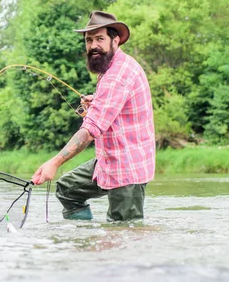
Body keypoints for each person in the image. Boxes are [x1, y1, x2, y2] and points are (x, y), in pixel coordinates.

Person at [31, 11, 155, 221]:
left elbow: (89, 131)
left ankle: (107, 251)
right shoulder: (110, 66)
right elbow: (113, 104)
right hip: (108, 160)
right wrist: (97, 100)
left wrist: (54, 163)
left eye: (100, 39)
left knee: (122, 234)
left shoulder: (117, 76)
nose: (93, 46)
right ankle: (87, 244)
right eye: (89, 40)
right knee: (67, 189)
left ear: (115, 41)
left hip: (128, 169)